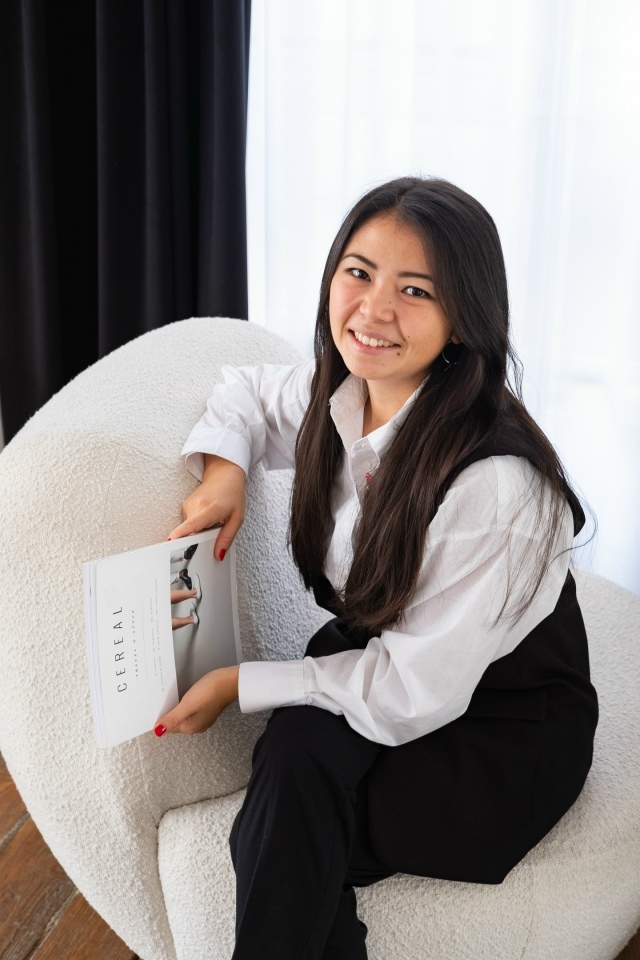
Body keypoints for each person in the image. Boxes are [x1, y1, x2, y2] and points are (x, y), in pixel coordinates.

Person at [154, 177, 598, 959]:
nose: (374, 309)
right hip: (395, 655)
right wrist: (225, 474)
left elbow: (409, 695)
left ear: (464, 316)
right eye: (358, 273)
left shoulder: (495, 485)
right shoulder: (346, 390)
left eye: (415, 290)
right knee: (293, 779)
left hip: (498, 733)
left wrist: (237, 684)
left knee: (287, 823)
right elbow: (244, 393)